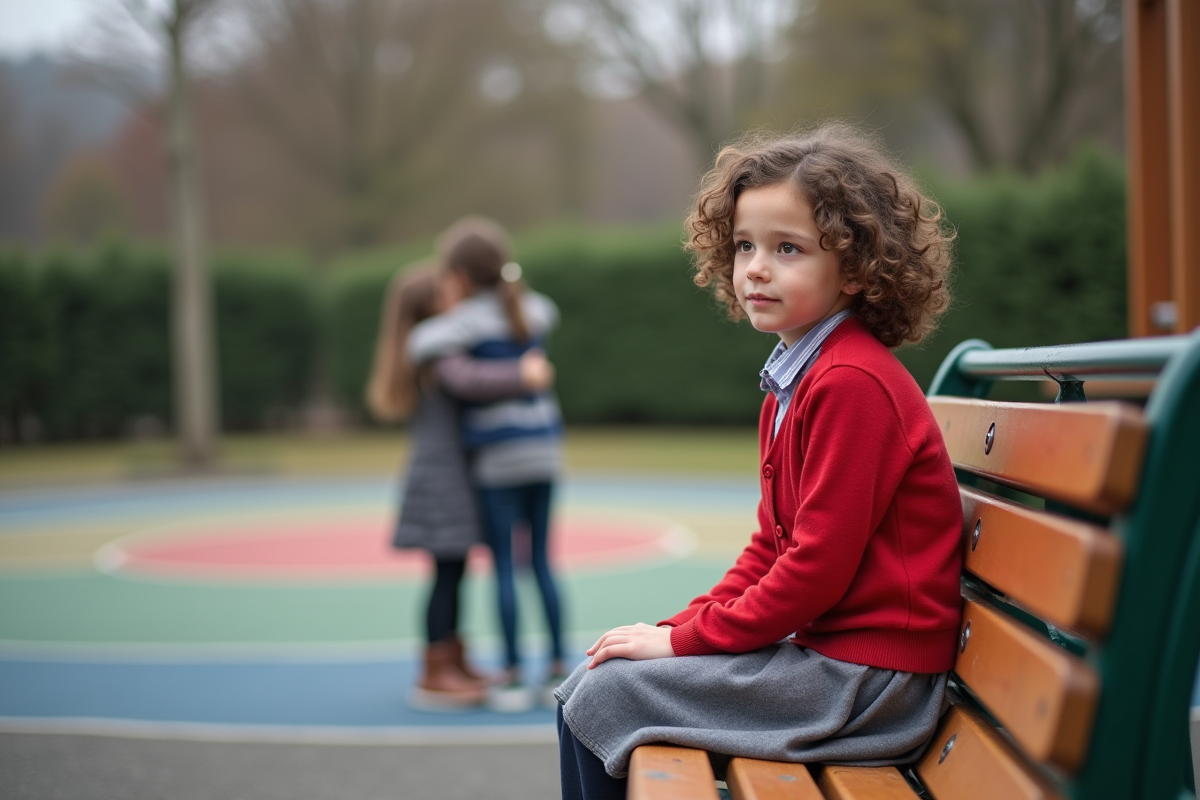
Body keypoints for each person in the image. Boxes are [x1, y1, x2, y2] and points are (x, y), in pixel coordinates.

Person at [553, 123, 963, 800]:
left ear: (858, 268)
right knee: (596, 683)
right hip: (833, 661)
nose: (756, 269)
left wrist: (685, 645)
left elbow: (813, 569)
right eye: (745, 246)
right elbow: (771, 546)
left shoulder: (850, 383)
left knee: (604, 700)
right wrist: (681, 627)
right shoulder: (796, 380)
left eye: (788, 249)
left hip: (871, 685)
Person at [366, 260, 555, 710]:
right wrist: (521, 375)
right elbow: (471, 380)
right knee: (446, 574)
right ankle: (436, 669)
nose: (460, 295)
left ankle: (454, 656)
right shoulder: (439, 355)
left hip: (447, 475)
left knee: (454, 571)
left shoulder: (436, 347)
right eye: (449, 290)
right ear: (432, 304)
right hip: (443, 479)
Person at [409, 217, 569, 714]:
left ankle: (516, 673)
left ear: (457, 273)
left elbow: (420, 342)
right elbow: (549, 311)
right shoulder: (528, 309)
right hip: (544, 451)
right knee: (542, 562)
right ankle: (560, 665)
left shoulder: (469, 321)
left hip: (499, 459)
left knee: (504, 565)